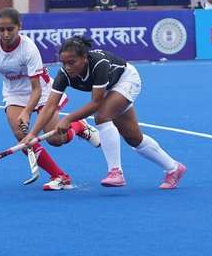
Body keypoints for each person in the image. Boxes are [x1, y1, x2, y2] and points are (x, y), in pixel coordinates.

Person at [0, 7, 101, 191]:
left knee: (57, 140)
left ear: (19, 27)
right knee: (22, 137)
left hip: (42, 92)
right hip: (13, 93)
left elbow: (36, 89)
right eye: (1, 29)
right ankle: (60, 176)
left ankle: (79, 125)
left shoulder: (29, 49)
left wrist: (26, 111)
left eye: (10, 29)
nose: (5, 34)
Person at [23, 35, 186, 189]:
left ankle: (116, 172)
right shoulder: (64, 74)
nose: (67, 67)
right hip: (109, 88)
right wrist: (33, 135)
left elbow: (96, 103)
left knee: (102, 115)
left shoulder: (99, 64)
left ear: (84, 58)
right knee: (134, 138)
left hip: (126, 80)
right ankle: (174, 168)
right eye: (64, 63)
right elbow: (50, 106)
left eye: (72, 62)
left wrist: (69, 119)